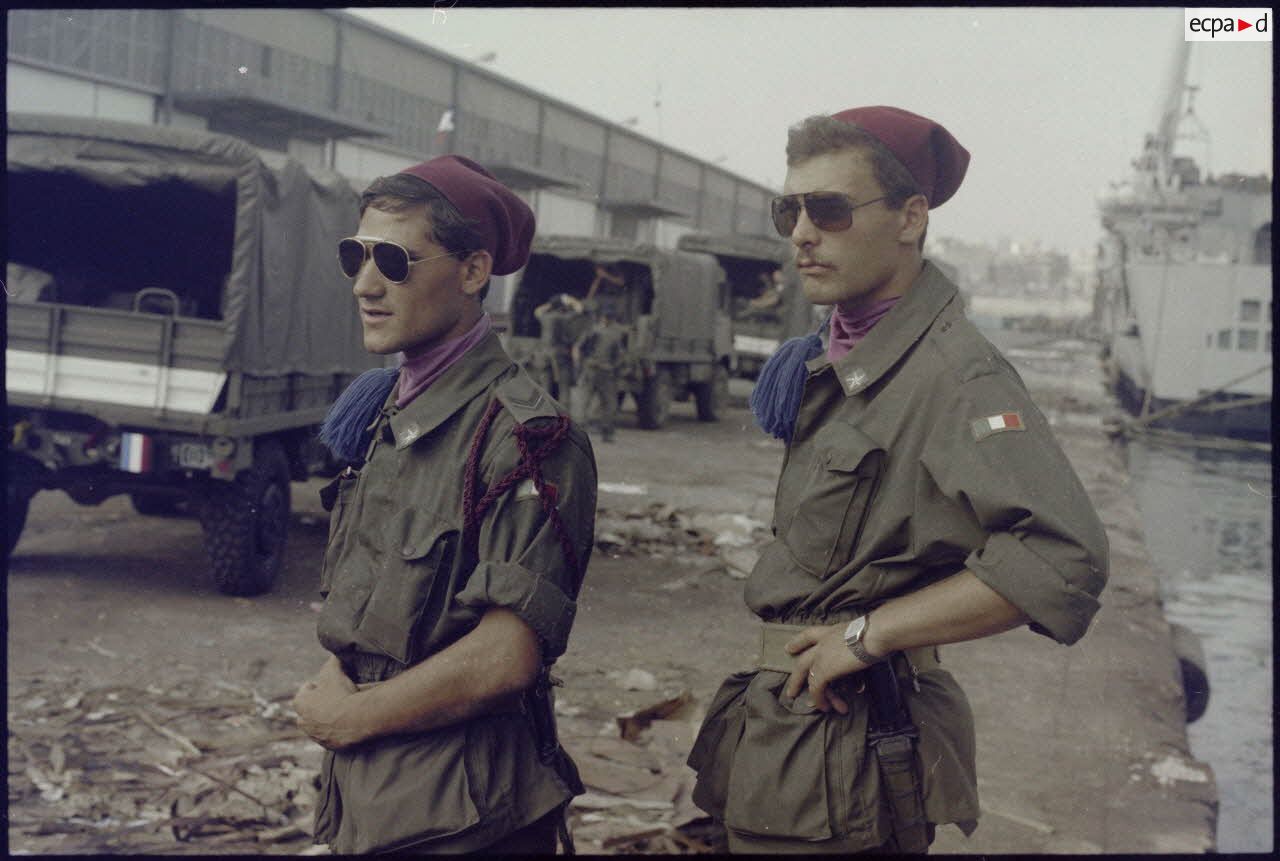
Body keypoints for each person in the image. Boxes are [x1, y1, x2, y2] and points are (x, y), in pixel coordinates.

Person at [686, 106, 1109, 853]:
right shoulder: (842, 356)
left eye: (830, 209)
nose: (801, 232)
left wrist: (870, 633)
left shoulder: (953, 373)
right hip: (794, 749)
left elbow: (1062, 554)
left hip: (847, 758)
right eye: (791, 208)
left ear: (911, 218)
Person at [293, 155, 598, 854]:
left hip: (465, 818)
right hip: (372, 798)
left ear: (472, 271)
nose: (366, 284)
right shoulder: (386, 417)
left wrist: (350, 717)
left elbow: (505, 656)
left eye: (394, 260)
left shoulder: (526, 437)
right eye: (356, 255)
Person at [571, 306, 627, 443]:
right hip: (605, 372)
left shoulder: (592, 331)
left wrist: (580, 365)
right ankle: (607, 433)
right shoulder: (615, 334)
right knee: (609, 403)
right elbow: (620, 356)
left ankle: (575, 434)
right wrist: (615, 368)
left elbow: (577, 348)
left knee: (583, 402)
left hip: (590, 370)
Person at [533, 292, 586, 405]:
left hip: (544, 355)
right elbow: (580, 309)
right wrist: (570, 299)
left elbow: (537, 311)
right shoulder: (565, 318)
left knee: (545, 387)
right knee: (564, 388)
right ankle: (564, 416)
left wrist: (550, 304)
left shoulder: (545, 317)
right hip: (560, 355)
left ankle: (547, 416)